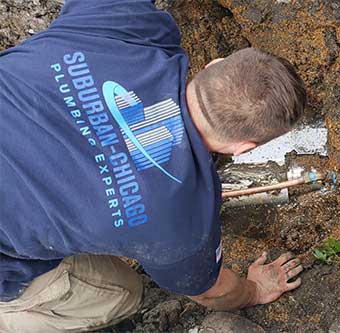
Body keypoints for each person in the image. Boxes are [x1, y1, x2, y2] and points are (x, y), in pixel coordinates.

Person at [0, 0, 307, 331]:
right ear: (243, 148)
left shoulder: (120, 26)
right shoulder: (179, 221)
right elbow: (211, 292)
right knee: (124, 293)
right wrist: (256, 289)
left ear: (212, 65)